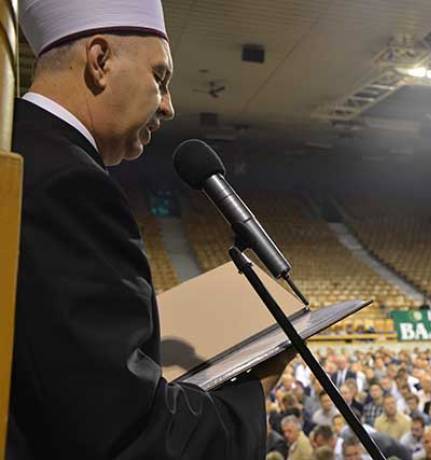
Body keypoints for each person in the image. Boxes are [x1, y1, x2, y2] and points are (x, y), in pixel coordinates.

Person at [9, 1, 291, 459]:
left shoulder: (23, 147)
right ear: (100, 61)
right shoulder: (68, 184)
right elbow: (122, 431)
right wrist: (251, 395)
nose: (169, 105)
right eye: (160, 78)